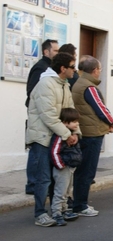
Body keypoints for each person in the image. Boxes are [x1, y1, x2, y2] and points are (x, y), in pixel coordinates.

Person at [26, 52, 79, 227]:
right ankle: (40, 214)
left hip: (58, 137)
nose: (74, 69)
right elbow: (48, 115)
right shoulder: (45, 84)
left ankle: (58, 210)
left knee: (60, 176)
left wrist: (76, 134)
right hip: (42, 138)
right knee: (44, 178)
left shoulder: (64, 85)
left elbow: (71, 111)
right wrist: (67, 134)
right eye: (72, 66)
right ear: (63, 68)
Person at [71, 55, 113, 217]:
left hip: (85, 131)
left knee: (81, 170)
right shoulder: (89, 87)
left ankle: (76, 201)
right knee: (87, 171)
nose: (100, 72)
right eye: (100, 69)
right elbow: (101, 108)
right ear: (95, 70)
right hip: (92, 134)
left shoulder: (78, 83)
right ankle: (80, 205)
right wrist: (111, 122)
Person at [25, 39, 59, 195]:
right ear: (46, 51)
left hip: (44, 115)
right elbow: (32, 92)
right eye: (56, 51)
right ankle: (32, 184)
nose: (58, 53)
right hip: (38, 116)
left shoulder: (49, 68)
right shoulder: (40, 68)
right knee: (36, 150)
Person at [50, 108, 82, 226]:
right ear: (65, 123)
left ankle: (64, 210)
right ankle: (56, 213)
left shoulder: (72, 135)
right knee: (60, 191)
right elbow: (54, 151)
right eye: (74, 122)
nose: (77, 124)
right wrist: (60, 165)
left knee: (68, 190)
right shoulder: (61, 136)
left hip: (70, 167)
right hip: (63, 168)